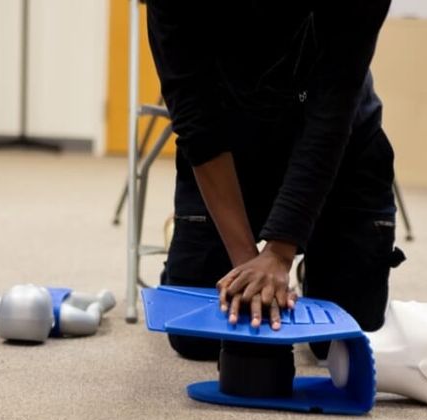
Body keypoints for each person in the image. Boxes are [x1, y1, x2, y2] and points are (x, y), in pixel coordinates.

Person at [149, 0, 405, 362]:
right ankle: (198, 255)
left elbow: (331, 111)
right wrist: (247, 271)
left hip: (343, 155)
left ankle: (312, 255)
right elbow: (198, 124)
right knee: (199, 340)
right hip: (233, 158)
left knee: (341, 342)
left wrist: (280, 251)